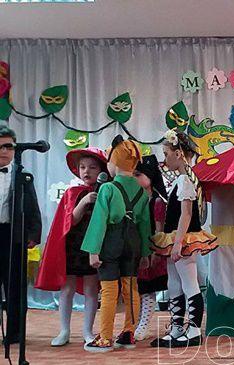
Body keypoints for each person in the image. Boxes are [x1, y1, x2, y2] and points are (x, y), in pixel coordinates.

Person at [82, 136, 151, 352]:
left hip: (111, 241)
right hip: (134, 243)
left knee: (109, 290)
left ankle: (105, 337)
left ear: (115, 162)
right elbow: (145, 224)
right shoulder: (141, 191)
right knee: (131, 288)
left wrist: (93, 250)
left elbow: (99, 221)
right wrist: (146, 253)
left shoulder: (108, 189)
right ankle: (128, 333)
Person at [150, 130, 217, 348]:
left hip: (184, 238)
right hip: (175, 236)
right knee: (174, 283)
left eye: (166, 154)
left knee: (189, 282)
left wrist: (178, 243)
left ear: (178, 154)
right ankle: (177, 327)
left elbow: (186, 214)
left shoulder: (186, 179)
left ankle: (194, 330)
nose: (164, 159)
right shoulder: (181, 179)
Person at [36, 147, 108, 346]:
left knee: (91, 289)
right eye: (83, 167)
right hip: (73, 247)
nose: (87, 171)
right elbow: (70, 221)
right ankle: (64, 330)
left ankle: (87, 331)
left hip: (93, 248)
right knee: (67, 289)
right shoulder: (72, 192)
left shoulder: (106, 191)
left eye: (92, 167)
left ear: (101, 170)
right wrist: (83, 202)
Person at [0, 124, 42, 346]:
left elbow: (33, 206)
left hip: (13, 234)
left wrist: (34, 233)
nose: (4, 151)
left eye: (8, 146)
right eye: (0, 147)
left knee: (15, 285)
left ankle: (15, 333)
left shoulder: (23, 176)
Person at [132, 155, 168, 341]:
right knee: (139, 289)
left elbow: (159, 229)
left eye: (138, 174)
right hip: (137, 250)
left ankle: (144, 325)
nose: (134, 178)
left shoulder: (157, 201)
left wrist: (155, 252)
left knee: (148, 288)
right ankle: (138, 323)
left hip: (152, 250)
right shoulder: (135, 199)